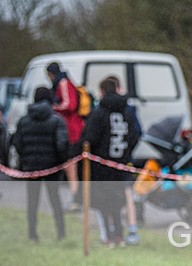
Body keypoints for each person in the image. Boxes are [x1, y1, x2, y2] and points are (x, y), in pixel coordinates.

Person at [79, 77, 141, 247]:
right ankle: (119, 235)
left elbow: (89, 138)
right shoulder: (127, 111)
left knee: (103, 202)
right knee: (117, 201)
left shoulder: (99, 113)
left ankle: (108, 236)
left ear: (102, 91)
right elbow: (135, 134)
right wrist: (126, 154)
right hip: (121, 164)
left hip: (101, 166)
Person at [11, 87, 68, 242]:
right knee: (55, 199)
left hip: (31, 167)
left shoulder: (24, 120)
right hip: (52, 167)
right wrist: (61, 162)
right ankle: (61, 233)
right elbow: (62, 144)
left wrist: (25, 160)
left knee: (32, 201)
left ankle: (32, 234)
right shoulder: (56, 120)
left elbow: (17, 142)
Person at [47, 62, 85, 213]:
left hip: (72, 130)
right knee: (72, 167)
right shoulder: (63, 82)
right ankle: (76, 198)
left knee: (71, 167)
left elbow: (70, 104)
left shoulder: (63, 83)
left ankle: (76, 199)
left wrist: (53, 107)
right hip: (70, 129)